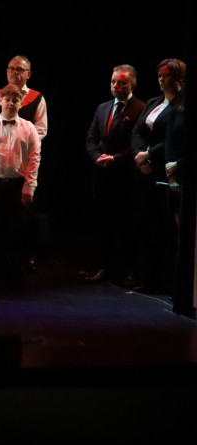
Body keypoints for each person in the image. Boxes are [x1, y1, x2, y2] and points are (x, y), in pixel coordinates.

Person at [84, 65, 146, 284]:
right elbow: (91, 138)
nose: (116, 86)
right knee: (103, 222)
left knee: (126, 223)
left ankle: (129, 271)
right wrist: (97, 157)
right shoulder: (102, 108)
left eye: (121, 83)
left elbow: (137, 144)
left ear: (133, 84)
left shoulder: (140, 108)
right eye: (113, 82)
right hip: (101, 174)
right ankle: (105, 268)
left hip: (125, 176)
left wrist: (115, 159)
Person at [131, 58, 186, 293]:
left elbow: (174, 139)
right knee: (146, 224)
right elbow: (137, 131)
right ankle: (149, 277)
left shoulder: (182, 105)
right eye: (159, 75)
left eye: (165, 75)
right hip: (145, 170)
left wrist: (149, 154)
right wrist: (139, 155)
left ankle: (167, 281)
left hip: (168, 171)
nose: (161, 79)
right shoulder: (154, 101)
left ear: (178, 77)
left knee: (166, 228)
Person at [0, 85, 42, 284]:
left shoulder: (29, 127)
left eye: (15, 101)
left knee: (17, 226)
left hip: (17, 184)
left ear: (21, 103)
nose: (11, 103)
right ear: (0, 102)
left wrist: (29, 187)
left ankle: (14, 267)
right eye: (7, 100)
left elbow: (34, 159)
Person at [0, 55, 48, 141]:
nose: (14, 72)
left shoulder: (38, 98)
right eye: (11, 69)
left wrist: (22, 143)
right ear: (7, 72)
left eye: (19, 69)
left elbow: (41, 129)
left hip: (24, 149)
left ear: (28, 74)